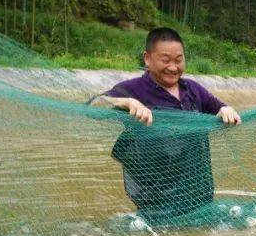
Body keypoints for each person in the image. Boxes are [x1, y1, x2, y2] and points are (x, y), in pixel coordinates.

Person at [92, 27, 240, 219]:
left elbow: (222, 110)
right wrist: (126, 102)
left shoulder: (193, 90)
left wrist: (225, 109)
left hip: (199, 195)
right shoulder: (134, 89)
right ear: (147, 58)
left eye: (178, 60)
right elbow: (94, 105)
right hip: (156, 199)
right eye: (165, 60)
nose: (173, 67)